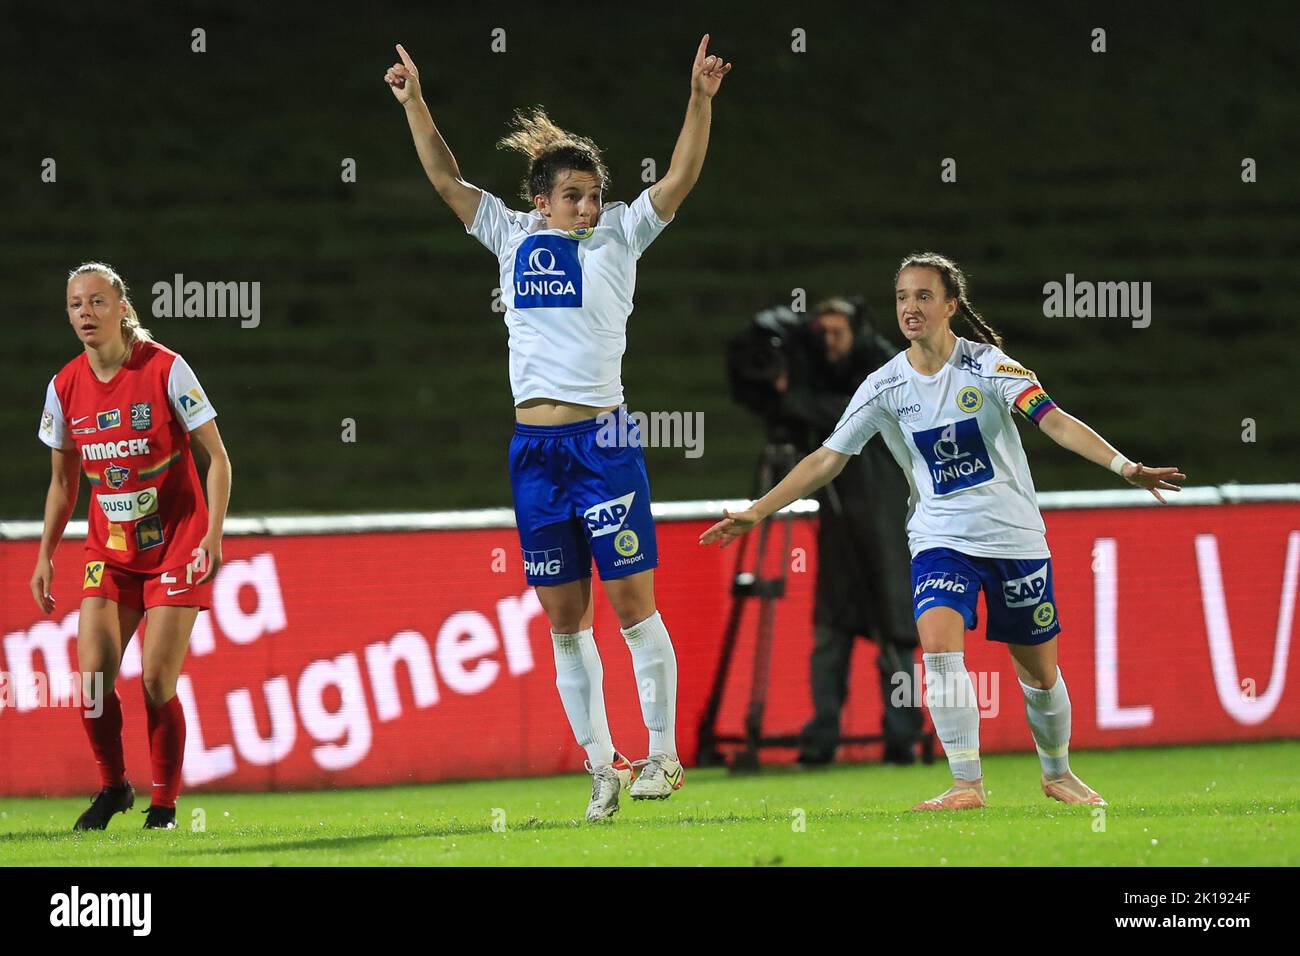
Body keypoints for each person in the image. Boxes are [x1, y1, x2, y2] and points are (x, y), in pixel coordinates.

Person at [385, 37, 731, 821]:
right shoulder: (510, 235)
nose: (587, 206)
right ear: (539, 200)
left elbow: (678, 179)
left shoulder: (622, 237)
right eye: (572, 195)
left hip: (603, 444)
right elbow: (444, 176)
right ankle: (601, 767)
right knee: (564, 622)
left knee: (633, 606)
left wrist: (700, 99)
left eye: (594, 193)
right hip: (534, 453)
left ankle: (665, 754)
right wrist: (414, 103)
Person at [701, 252, 1185, 810]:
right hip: (940, 539)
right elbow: (827, 458)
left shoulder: (991, 367)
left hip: (1014, 539)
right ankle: (966, 784)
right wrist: (759, 509)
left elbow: (1053, 420)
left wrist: (1125, 467)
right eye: (903, 297)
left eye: (924, 296)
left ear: (951, 305)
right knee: (938, 648)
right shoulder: (885, 386)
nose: (911, 308)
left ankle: (1057, 773)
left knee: (1040, 674)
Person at [31, 262, 232, 830]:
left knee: (154, 681)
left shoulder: (166, 369)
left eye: (97, 301)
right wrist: (45, 554)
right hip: (110, 551)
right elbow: (64, 483)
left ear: (122, 307)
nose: (85, 313)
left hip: (176, 546)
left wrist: (212, 535)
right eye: (75, 305)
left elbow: (217, 459)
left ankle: (163, 807)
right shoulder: (63, 386)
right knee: (92, 682)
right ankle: (114, 787)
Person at [775, 299, 922, 766]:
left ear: (857, 332)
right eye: (822, 333)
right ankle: (822, 738)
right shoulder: (818, 369)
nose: (829, 343)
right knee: (830, 634)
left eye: (837, 333)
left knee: (895, 631)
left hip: (884, 523)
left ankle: (903, 736)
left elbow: (849, 410)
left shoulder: (883, 367)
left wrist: (793, 396)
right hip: (840, 527)